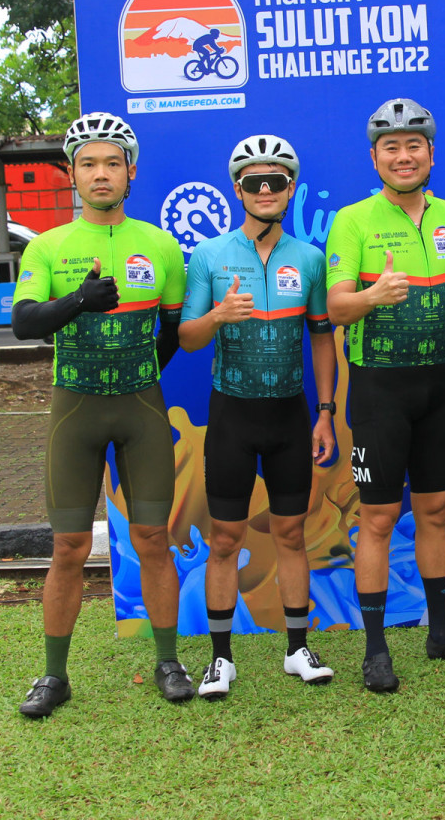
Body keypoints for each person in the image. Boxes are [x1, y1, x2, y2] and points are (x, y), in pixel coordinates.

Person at [10, 112, 190, 717]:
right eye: (88, 163)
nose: (101, 173)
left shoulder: (160, 245)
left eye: (112, 162)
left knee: (153, 538)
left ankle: (168, 661)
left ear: (131, 172)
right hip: (75, 411)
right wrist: (79, 301)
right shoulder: (47, 245)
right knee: (68, 545)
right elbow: (24, 322)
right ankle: (53, 676)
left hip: (140, 408)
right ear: (72, 175)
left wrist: (137, 372)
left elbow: (171, 330)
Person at [325, 98, 445, 693]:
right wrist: (372, 297)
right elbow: (334, 308)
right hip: (379, 387)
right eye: (391, 147)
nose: (403, 156)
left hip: (437, 385)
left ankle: (440, 634)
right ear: (374, 158)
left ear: (431, 153)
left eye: (413, 145)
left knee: (434, 511)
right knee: (378, 518)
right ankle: (376, 650)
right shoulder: (352, 220)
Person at [179, 134, 338, 698]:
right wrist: (218, 315)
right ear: (237, 189)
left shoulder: (309, 259)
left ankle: (297, 649)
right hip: (232, 416)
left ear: (291, 189)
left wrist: (325, 411)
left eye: (276, 181)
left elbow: (322, 337)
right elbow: (188, 337)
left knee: (291, 533)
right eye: (254, 182)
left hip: (289, 415)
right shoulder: (209, 255)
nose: (265, 190)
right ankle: (221, 659)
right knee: (224, 539)